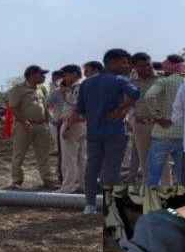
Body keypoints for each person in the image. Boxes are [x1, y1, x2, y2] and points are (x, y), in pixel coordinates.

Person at [76, 49, 140, 214]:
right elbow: (135, 93)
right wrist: (122, 109)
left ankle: (89, 205)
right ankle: (111, 205)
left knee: (92, 168)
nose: (127, 66)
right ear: (112, 63)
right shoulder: (120, 80)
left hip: (93, 132)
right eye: (124, 62)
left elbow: (80, 109)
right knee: (112, 169)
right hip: (115, 131)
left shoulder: (86, 83)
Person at [6, 65, 57, 189]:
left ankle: (48, 180)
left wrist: (47, 121)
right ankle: (17, 181)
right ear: (32, 75)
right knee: (19, 154)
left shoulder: (40, 89)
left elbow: (44, 107)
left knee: (43, 155)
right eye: (41, 74)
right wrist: (24, 121)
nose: (44, 77)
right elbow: (13, 107)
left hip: (41, 126)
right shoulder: (18, 89)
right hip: (24, 126)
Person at [144, 55, 185, 186]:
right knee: (182, 175)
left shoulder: (163, 81)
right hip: (184, 134)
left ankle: (151, 202)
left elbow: (149, 96)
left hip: (162, 132)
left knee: (154, 174)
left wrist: (158, 116)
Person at [125, 53, 158, 183]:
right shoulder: (131, 83)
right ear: (134, 67)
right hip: (140, 125)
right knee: (144, 160)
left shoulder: (161, 80)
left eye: (148, 65)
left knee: (162, 161)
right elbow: (129, 103)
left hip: (159, 125)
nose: (146, 68)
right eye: (141, 66)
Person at [57, 65, 87, 193]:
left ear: (74, 74)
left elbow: (75, 108)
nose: (64, 78)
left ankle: (68, 187)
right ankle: (82, 185)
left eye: (65, 75)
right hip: (82, 124)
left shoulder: (77, 87)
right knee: (81, 157)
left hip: (72, 123)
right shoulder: (81, 86)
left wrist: (68, 126)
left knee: (69, 157)